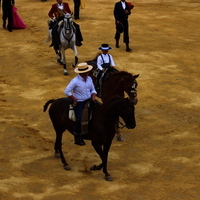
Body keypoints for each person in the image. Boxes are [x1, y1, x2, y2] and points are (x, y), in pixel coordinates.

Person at [64, 62, 97, 146]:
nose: (88, 73)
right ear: (82, 73)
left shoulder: (89, 78)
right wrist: (74, 100)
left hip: (89, 100)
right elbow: (67, 91)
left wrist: (93, 95)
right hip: (80, 102)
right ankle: (77, 136)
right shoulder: (75, 81)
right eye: (86, 71)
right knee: (79, 119)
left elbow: (93, 89)